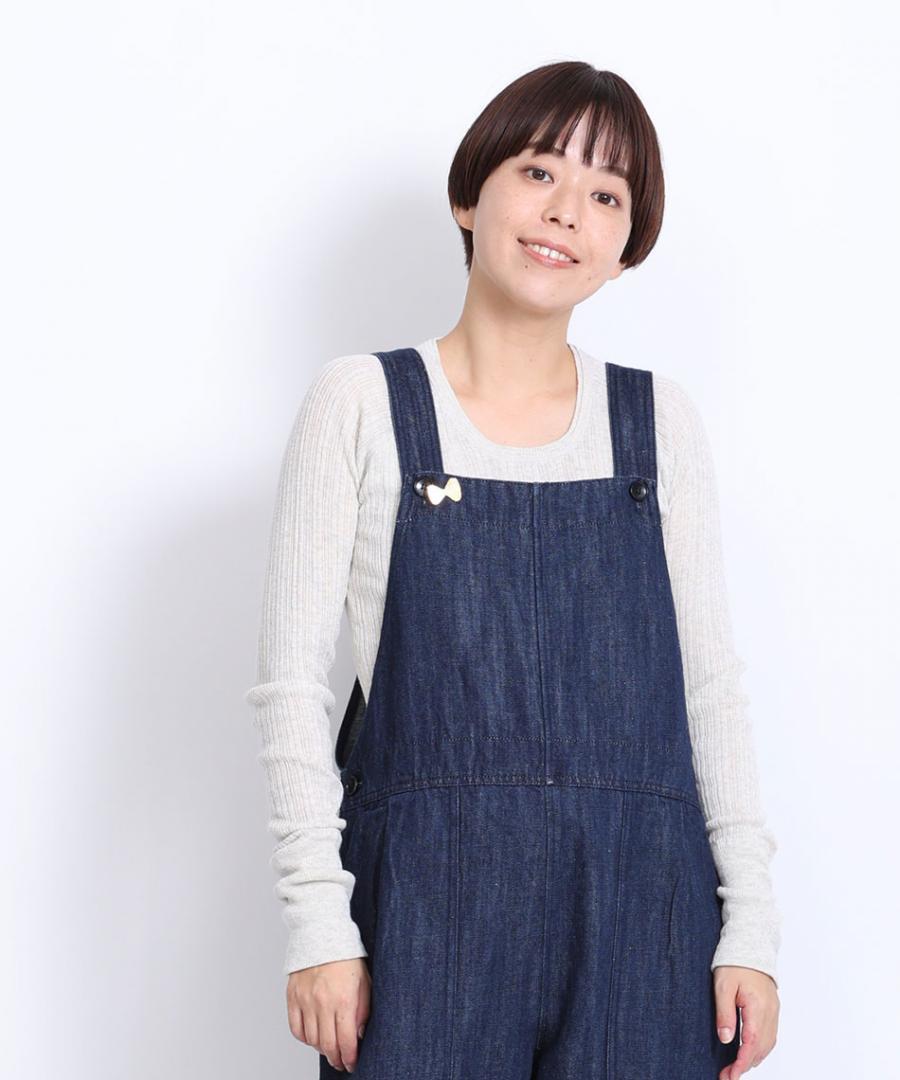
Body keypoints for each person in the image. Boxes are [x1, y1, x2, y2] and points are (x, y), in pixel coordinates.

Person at [245, 61, 782, 1079]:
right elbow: (290, 688)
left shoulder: (659, 423)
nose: (567, 212)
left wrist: (748, 928)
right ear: (470, 195)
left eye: (606, 195)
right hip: (424, 917)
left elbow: (710, 689)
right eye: (539, 172)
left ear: (627, 248)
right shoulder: (360, 404)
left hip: (644, 916)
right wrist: (319, 926)